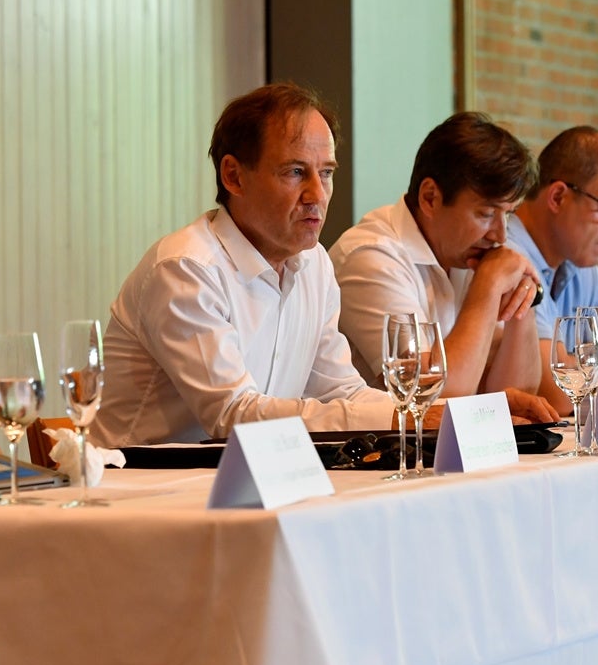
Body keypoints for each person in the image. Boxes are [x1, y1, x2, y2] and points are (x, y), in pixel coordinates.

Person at [95, 83, 467, 450]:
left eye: (326, 173)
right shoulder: (187, 268)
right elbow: (233, 416)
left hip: (244, 476)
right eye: (295, 172)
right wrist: (397, 418)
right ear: (234, 176)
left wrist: (451, 413)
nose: (317, 195)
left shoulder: (314, 263)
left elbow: (341, 390)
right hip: (138, 485)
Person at [329, 111, 545, 400]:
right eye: (486, 213)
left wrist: (522, 306)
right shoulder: (370, 256)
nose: (500, 235)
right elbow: (432, 397)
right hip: (367, 443)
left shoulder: (475, 253)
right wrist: (489, 287)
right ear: (430, 197)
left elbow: (517, 396)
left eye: (508, 214)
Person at [506, 126, 598, 413]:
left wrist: (572, 365)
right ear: (557, 197)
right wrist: (579, 367)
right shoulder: (506, 254)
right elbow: (558, 396)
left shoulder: (584, 269)